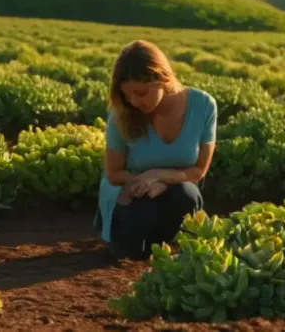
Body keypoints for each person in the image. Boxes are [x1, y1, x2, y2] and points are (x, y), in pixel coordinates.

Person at [93, 40, 217, 261]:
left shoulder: (204, 105)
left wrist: (159, 177)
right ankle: (124, 240)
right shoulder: (122, 113)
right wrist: (147, 181)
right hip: (129, 192)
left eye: (140, 93)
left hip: (172, 193)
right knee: (138, 221)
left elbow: (199, 171)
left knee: (186, 194)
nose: (133, 101)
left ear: (160, 77)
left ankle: (163, 245)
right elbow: (114, 174)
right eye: (127, 95)